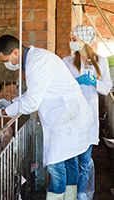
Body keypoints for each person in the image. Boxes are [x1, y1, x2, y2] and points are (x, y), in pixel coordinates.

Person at [0, 35, 98, 200]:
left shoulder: (37, 63)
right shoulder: (35, 59)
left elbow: (32, 103)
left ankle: (57, 196)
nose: (6, 64)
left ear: (15, 52)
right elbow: (33, 93)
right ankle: (70, 197)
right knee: (69, 161)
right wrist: (10, 102)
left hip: (67, 116)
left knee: (56, 165)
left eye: (6, 60)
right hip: (65, 114)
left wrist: (2, 113)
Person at [62, 25, 112, 200]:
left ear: (85, 41)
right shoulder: (66, 61)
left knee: (85, 158)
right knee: (70, 158)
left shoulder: (101, 61)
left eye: (74, 39)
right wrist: (76, 81)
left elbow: (106, 89)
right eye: (71, 39)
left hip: (89, 115)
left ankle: (81, 192)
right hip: (71, 114)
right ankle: (70, 192)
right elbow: (62, 87)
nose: (71, 42)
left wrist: (94, 83)